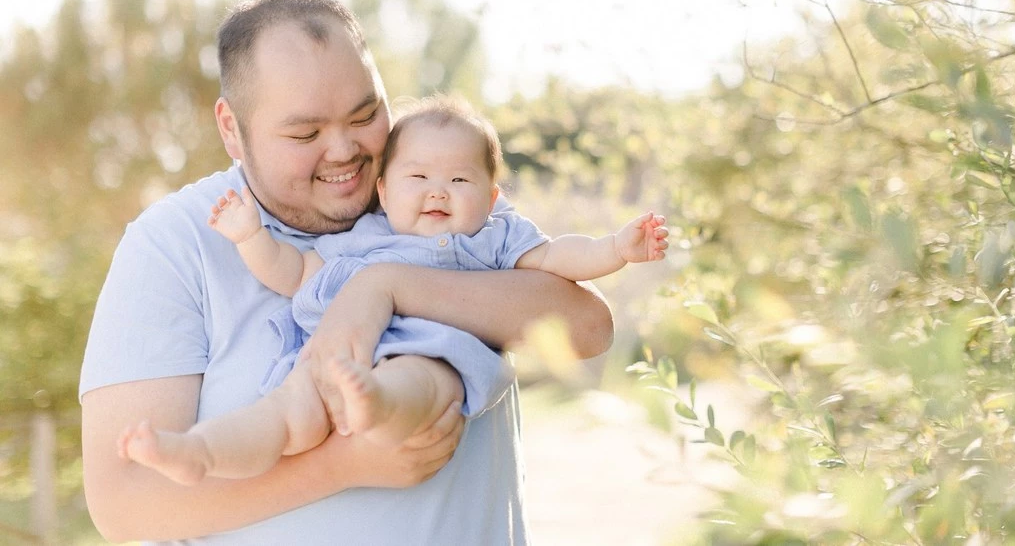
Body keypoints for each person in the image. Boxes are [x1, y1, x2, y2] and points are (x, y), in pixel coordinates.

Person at [79, 0, 614, 545]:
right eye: (305, 133)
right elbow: (123, 504)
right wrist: (341, 465)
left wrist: (386, 287)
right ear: (232, 128)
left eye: (365, 115)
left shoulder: (427, 193)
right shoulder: (174, 244)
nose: (344, 152)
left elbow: (588, 327)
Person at [116, 95, 669, 485]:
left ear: (491, 195)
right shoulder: (361, 240)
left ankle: (374, 404)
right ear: (382, 189)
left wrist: (616, 248)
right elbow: (295, 273)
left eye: (459, 180)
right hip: (328, 361)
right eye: (418, 178)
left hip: (431, 356)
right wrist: (248, 237)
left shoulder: (493, 239)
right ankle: (199, 453)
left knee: (417, 384)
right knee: (283, 418)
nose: (438, 192)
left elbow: (557, 259)